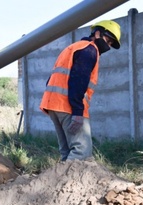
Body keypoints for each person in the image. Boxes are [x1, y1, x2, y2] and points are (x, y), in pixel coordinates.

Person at [39, 20, 121, 161]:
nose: (108, 46)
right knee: (81, 152)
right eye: (108, 40)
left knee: (66, 153)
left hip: (53, 105)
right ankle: (68, 183)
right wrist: (77, 112)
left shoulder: (74, 47)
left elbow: (51, 79)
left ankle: (58, 182)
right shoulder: (89, 50)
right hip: (68, 107)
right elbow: (78, 81)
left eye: (111, 44)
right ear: (97, 33)